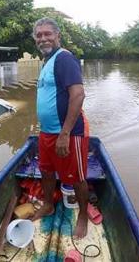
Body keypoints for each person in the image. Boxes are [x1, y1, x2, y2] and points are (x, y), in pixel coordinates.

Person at [31, 17, 89, 238]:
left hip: (67, 133)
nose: (43, 38)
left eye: (48, 34)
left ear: (57, 36)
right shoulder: (48, 61)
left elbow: (78, 94)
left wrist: (64, 133)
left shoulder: (64, 59)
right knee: (46, 170)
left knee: (76, 177)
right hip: (46, 132)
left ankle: (83, 215)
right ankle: (48, 205)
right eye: (39, 35)